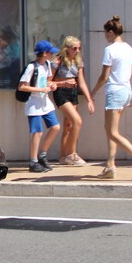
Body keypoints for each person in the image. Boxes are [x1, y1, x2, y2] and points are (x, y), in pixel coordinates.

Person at [90, 15, 132, 179]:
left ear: (111, 32)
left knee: (112, 132)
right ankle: (110, 166)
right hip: (125, 90)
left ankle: (110, 166)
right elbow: (130, 71)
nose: (105, 36)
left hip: (114, 92)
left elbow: (104, 77)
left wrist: (93, 92)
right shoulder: (128, 48)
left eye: (105, 33)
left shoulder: (110, 50)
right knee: (110, 130)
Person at [17, 40, 61, 173]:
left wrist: (51, 85)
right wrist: (40, 90)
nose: (52, 55)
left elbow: (46, 81)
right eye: (50, 53)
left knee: (55, 127)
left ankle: (42, 155)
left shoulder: (47, 64)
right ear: (45, 53)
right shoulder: (32, 67)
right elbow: (22, 86)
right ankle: (33, 161)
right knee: (37, 132)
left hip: (45, 102)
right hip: (33, 103)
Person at [52, 36, 95, 166]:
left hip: (73, 93)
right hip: (61, 93)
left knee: (69, 125)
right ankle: (72, 154)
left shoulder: (78, 61)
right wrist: (64, 82)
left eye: (78, 48)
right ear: (67, 49)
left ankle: (63, 156)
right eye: (74, 48)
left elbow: (81, 82)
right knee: (77, 121)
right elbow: (48, 81)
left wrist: (89, 100)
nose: (77, 51)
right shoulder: (57, 61)